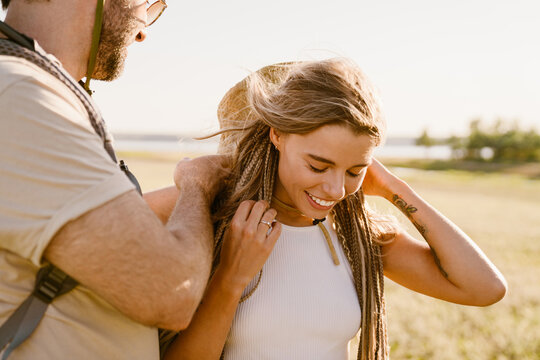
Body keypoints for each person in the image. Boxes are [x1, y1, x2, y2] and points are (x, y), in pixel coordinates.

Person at [162, 59, 507, 360]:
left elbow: (484, 288)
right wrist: (231, 278)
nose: (336, 189)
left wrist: (395, 189)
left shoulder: (359, 236)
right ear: (277, 135)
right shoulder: (216, 214)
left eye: (355, 171)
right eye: (318, 166)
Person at [0, 0, 226, 359]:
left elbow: (95, 230)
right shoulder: (22, 95)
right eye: (145, 4)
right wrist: (198, 186)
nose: (142, 31)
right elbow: (169, 294)